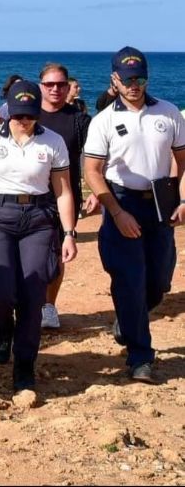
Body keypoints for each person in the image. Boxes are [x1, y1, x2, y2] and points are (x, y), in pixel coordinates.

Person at [0, 80, 78, 392]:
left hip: (38, 218)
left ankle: (25, 364)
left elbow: (62, 190)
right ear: (8, 111)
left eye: (29, 115)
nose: (23, 121)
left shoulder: (53, 141)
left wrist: (68, 233)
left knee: (33, 289)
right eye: (18, 115)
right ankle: (3, 325)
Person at [83, 46, 185, 384]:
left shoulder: (169, 113)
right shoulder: (104, 120)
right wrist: (115, 210)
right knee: (130, 281)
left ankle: (127, 320)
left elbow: (183, 160)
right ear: (115, 79)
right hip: (122, 201)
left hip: (161, 202)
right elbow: (93, 171)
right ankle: (141, 357)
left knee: (158, 282)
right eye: (127, 80)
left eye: (140, 78)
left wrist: (182, 200)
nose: (134, 86)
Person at [35, 63, 93, 329]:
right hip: (29, 196)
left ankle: (48, 306)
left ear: (68, 87)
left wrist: (97, 193)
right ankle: (25, 303)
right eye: (50, 85)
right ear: (40, 87)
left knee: (57, 253)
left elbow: (95, 159)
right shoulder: (27, 114)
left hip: (65, 197)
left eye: (61, 84)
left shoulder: (79, 119)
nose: (56, 89)